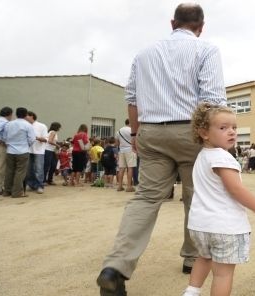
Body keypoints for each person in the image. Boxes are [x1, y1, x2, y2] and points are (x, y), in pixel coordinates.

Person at [96, 4, 227, 295]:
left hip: (152, 130)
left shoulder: (143, 54)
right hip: (192, 131)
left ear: (172, 23)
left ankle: (115, 266)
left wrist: (136, 134)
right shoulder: (206, 50)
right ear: (201, 26)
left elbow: (132, 98)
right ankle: (192, 258)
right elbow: (213, 99)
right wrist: (214, 141)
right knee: (197, 197)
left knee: (145, 199)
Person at [182, 103, 255, 296]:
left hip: (199, 226)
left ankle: (191, 292)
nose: (232, 132)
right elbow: (236, 189)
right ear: (204, 133)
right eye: (223, 128)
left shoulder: (203, 156)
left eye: (234, 127)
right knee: (222, 275)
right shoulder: (222, 157)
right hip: (224, 227)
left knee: (204, 257)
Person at [2, 107, 36, 198]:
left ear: (16, 114)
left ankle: (7, 191)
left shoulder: (8, 124)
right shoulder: (28, 125)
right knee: (20, 172)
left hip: (10, 150)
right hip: (23, 150)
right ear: (25, 115)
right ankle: (16, 192)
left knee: (9, 171)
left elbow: (4, 137)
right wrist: (26, 145)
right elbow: (32, 139)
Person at [25, 111, 48, 194]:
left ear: (32, 116)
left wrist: (36, 138)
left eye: (26, 116)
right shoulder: (25, 126)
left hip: (39, 151)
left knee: (39, 169)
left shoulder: (41, 126)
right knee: (28, 169)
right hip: (27, 150)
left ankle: (39, 185)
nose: (25, 118)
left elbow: (46, 139)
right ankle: (31, 184)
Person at [116, 119, 137, 192]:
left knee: (121, 168)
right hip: (130, 150)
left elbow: (117, 143)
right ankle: (129, 186)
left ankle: (119, 186)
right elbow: (135, 140)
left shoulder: (119, 131)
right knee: (130, 168)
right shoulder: (132, 130)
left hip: (121, 150)